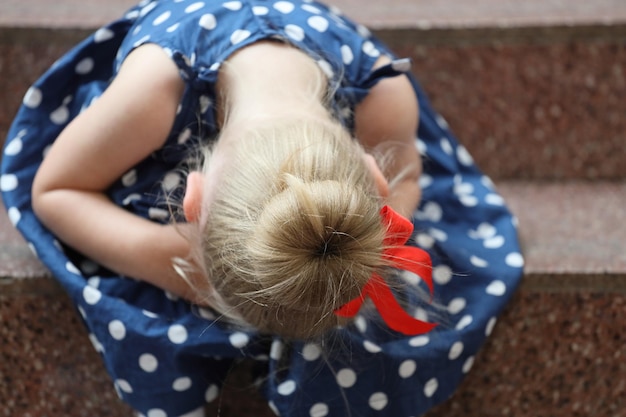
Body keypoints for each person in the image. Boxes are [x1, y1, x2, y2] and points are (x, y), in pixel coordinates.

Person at [1, 0, 524, 416]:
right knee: (149, 322)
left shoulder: (385, 93)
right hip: (175, 90)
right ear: (193, 198)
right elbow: (54, 191)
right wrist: (165, 262)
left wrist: (359, 242)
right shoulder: (150, 94)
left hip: (304, 102)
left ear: (374, 177)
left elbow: (408, 176)